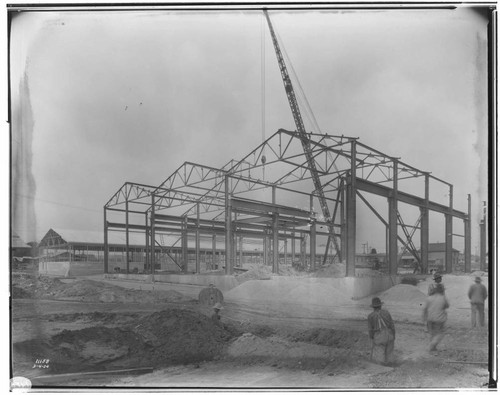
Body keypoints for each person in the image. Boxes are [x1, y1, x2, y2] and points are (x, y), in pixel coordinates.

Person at [367, 297, 395, 365]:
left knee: (379, 361)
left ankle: (382, 369)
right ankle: (391, 369)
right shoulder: (387, 313)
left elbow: (371, 331)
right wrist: (393, 336)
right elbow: (392, 326)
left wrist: (372, 339)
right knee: (390, 356)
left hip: (379, 337)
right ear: (380, 305)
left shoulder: (371, 316)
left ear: (373, 307)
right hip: (389, 335)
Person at [423, 283, 449, 352]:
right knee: (440, 334)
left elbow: (424, 309)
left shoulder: (429, 298)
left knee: (432, 334)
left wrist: (424, 319)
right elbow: (447, 306)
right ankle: (430, 346)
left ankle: (433, 348)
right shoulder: (443, 298)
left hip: (430, 319)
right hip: (439, 320)